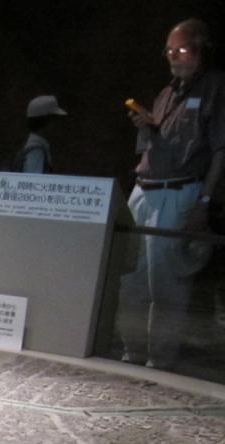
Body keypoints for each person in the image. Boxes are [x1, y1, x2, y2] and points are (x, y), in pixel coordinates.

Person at [117, 18, 225, 370]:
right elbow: (153, 145)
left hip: (177, 192)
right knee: (130, 277)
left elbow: (220, 149)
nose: (173, 57)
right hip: (144, 188)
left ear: (201, 50)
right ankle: (132, 351)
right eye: (168, 51)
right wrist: (147, 126)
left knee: (166, 282)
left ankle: (160, 359)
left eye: (181, 49)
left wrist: (204, 202)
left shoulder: (214, 88)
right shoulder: (166, 94)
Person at [14, 95, 66, 173]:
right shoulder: (36, 149)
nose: (57, 125)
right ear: (47, 121)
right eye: (55, 119)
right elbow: (32, 179)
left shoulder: (30, 143)